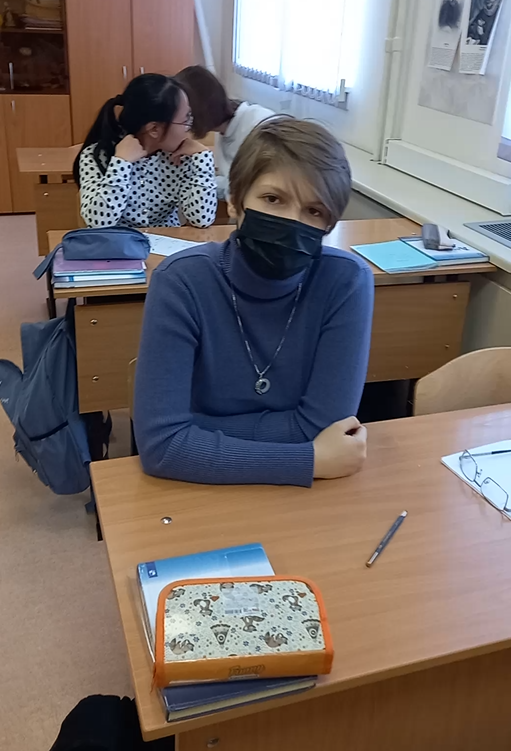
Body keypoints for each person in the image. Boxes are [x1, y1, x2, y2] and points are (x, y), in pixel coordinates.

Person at [134, 117, 374, 487]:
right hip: (194, 493)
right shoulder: (181, 281)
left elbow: (323, 425)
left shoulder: (346, 281)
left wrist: (197, 432)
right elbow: (163, 446)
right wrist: (308, 459)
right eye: (273, 199)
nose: (291, 222)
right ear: (235, 201)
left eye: (314, 211)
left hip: (299, 499)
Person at [73, 73, 217, 229]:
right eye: (185, 120)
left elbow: (202, 219)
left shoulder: (181, 156)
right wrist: (121, 163)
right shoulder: (97, 156)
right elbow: (98, 223)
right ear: (154, 129)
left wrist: (203, 158)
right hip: (119, 241)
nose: (189, 128)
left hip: (167, 241)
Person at [174, 65, 274, 199]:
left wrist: (201, 160)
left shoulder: (258, 127)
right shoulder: (224, 131)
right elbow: (229, 184)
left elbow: (246, 191)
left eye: (185, 114)